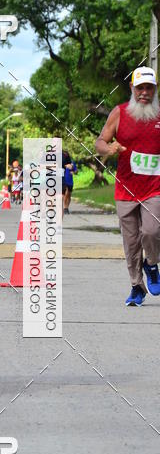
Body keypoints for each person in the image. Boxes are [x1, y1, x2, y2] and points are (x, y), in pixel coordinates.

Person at [95, 65, 160, 306]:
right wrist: (109, 148)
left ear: (155, 90)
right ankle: (136, 287)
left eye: (149, 88)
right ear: (132, 88)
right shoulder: (120, 112)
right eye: (140, 87)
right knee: (131, 242)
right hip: (126, 189)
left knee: (152, 231)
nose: (144, 92)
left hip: (155, 187)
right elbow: (100, 140)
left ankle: (152, 264)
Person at [62, 150, 76, 216]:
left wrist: (74, 172)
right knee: (66, 193)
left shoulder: (72, 162)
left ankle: (67, 207)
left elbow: (76, 170)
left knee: (69, 195)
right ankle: (65, 207)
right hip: (64, 180)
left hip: (70, 181)